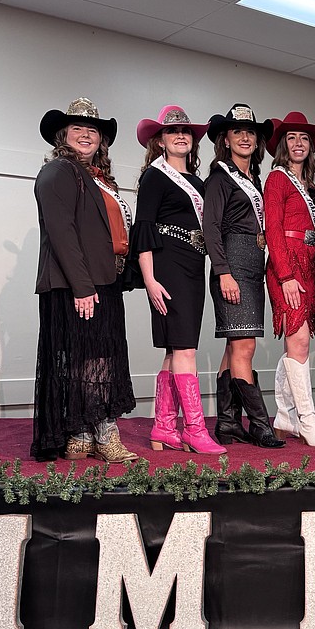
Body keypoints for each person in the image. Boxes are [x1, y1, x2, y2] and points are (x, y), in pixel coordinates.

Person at [31, 98, 137, 463]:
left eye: (93, 130)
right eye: (78, 128)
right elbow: (62, 232)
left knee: (88, 359)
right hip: (77, 284)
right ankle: (101, 435)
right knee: (92, 360)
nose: (86, 134)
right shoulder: (60, 170)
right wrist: (82, 287)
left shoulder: (95, 177)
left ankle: (81, 435)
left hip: (98, 281)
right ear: (63, 135)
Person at [131, 105, 225, 456]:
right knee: (186, 348)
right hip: (166, 266)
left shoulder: (199, 183)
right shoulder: (155, 177)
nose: (181, 136)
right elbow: (143, 228)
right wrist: (149, 280)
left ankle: (164, 427)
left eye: (186, 131)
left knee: (175, 349)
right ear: (161, 141)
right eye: (173, 132)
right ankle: (195, 430)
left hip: (192, 265)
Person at [202, 103, 284, 449]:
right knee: (245, 346)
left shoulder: (256, 179)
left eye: (251, 132)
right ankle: (262, 426)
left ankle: (227, 423)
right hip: (232, 264)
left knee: (234, 345)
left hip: (253, 264)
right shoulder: (220, 178)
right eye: (238, 131)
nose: (246, 137)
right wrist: (223, 272)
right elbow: (211, 228)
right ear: (226, 139)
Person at [264, 111, 315, 449]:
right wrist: (286, 275)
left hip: (308, 263)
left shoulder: (310, 187)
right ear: (283, 146)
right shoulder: (277, 179)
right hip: (286, 264)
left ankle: (285, 416)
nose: (298, 143)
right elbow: (272, 228)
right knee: (300, 339)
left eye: (304, 138)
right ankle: (307, 420)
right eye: (291, 138)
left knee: (298, 343)